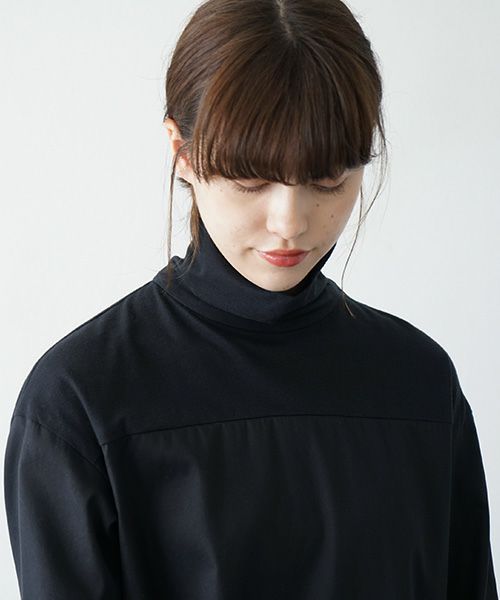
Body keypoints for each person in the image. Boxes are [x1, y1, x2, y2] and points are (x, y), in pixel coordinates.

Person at [4, 0, 498, 598]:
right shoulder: (80, 401)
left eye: (327, 181)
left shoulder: (421, 384)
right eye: (250, 181)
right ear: (182, 152)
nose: (290, 222)